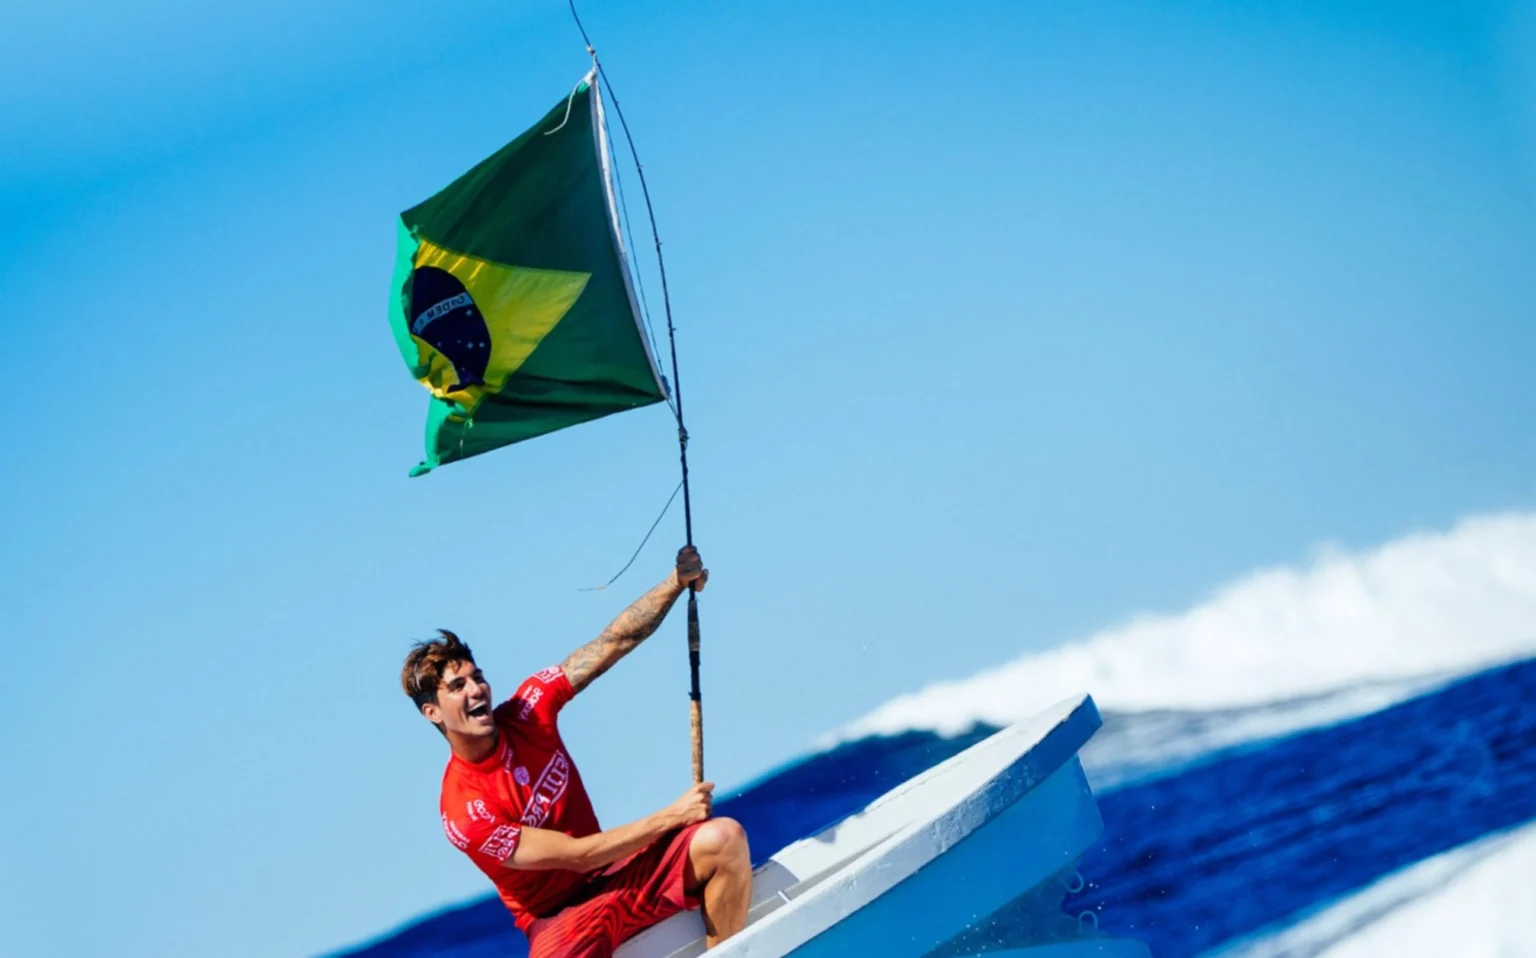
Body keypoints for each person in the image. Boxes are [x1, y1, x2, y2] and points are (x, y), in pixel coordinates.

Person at [401, 546, 751, 958]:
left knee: (724, 838)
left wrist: (675, 584)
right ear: (431, 712)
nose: (476, 690)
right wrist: (674, 815)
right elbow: (578, 856)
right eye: (457, 687)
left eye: (477, 677)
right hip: (559, 917)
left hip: (619, 873)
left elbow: (612, 642)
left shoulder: (529, 708)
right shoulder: (463, 810)